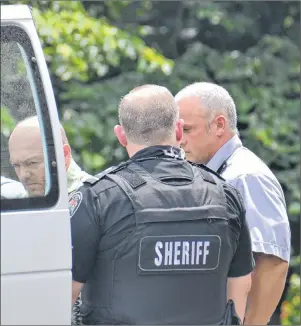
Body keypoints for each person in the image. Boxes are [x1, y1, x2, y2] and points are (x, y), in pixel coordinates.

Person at [69, 84, 254, 325]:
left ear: (121, 134)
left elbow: (59, 295)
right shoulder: (226, 195)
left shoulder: (98, 198)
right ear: (178, 130)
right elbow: (240, 287)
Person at [175, 82, 291, 325]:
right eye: (177, 132)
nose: (180, 141)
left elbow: (271, 262)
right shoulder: (217, 174)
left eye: (187, 130)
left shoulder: (244, 176)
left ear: (219, 125)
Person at [8, 116, 92, 197]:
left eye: (32, 163)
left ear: (63, 156)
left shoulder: (96, 202)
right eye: (16, 165)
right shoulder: (21, 199)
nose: (23, 175)